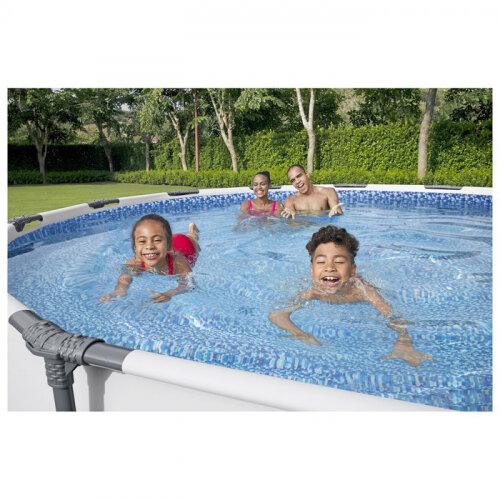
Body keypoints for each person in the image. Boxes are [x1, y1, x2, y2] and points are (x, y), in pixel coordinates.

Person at [268, 225, 432, 368]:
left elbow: (392, 316)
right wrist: (300, 333)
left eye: (339, 262)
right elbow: (277, 315)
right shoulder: (312, 292)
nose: (330, 268)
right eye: (321, 262)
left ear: (352, 270)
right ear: (312, 270)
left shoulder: (361, 290)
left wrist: (404, 341)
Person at [100, 214, 200, 303]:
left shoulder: (178, 263)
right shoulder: (135, 262)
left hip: (185, 244)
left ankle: (192, 230)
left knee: (193, 238)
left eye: (157, 240)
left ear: (168, 244)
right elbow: (125, 276)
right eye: (142, 241)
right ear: (135, 247)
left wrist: (169, 293)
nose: (149, 246)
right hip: (169, 243)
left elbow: (188, 285)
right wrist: (120, 290)